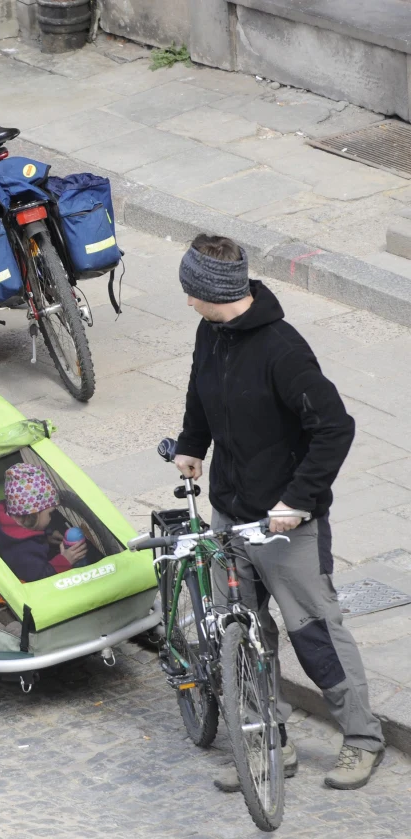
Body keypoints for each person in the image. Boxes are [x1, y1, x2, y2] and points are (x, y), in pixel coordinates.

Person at [173, 233, 385, 791]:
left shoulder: (282, 351)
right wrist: (192, 443)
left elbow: (335, 428)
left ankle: (362, 739)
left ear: (209, 290)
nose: (186, 301)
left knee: (315, 634)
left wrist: (297, 501)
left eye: (190, 291)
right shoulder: (209, 331)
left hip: (286, 524)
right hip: (229, 514)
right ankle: (269, 739)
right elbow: (201, 391)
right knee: (233, 632)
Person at [0, 463, 87, 582]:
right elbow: (40, 578)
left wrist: (46, 535)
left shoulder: (2, 521)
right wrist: (65, 561)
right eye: (49, 513)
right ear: (32, 515)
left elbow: (28, 531)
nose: (51, 518)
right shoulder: (23, 551)